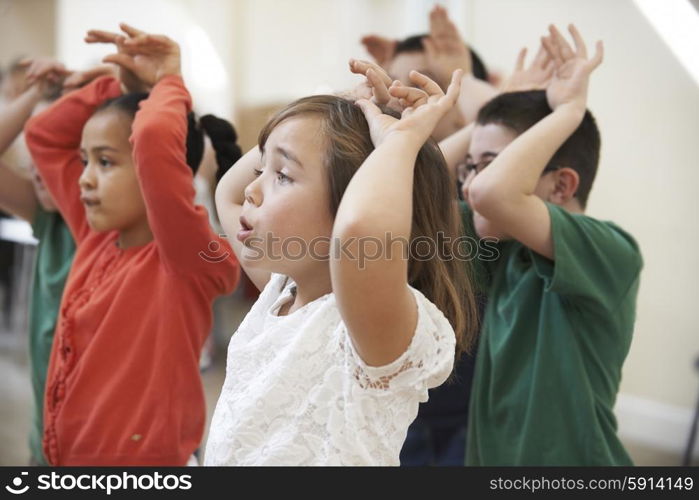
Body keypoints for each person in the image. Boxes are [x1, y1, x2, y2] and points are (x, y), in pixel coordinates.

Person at [205, 67, 478, 465]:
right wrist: (337, 102)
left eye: (281, 175)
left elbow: (360, 231)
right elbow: (228, 193)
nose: (253, 188)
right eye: (260, 169)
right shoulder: (283, 290)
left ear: (348, 202)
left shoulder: (371, 327)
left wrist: (399, 142)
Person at [24, 24, 241, 465]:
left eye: (105, 162)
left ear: (156, 174)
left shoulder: (188, 260)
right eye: (85, 161)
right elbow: (43, 137)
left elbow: (154, 141)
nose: (84, 178)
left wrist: (167, 84)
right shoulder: (95, 237)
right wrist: (116, 87)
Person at [459, 25, 642, 465]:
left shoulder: (614, 251)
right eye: (469, 168)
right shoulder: (502, 248)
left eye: (489, 165)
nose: (469, 185)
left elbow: (492, 194)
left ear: (561, 185)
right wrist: (490, 112)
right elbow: (416, 195)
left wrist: (569, 112)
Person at [0, 57, 76, 465]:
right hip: (45, 441)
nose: (36, 167)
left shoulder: (114, 232)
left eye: (54, 154)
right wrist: (36, 93)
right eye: (34, 154)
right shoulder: (50, 220)